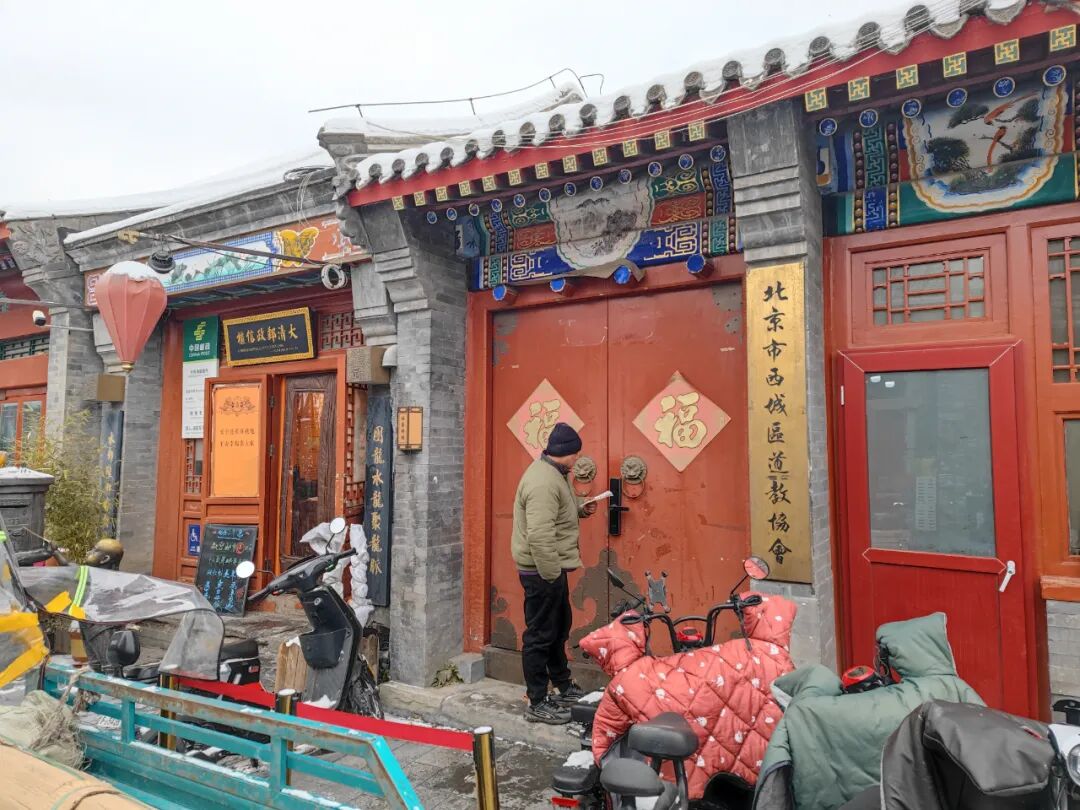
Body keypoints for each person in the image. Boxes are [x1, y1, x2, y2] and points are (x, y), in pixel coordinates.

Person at [511, 422, 597, 724]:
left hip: (550, 568)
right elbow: (539, 535)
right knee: (540, 635)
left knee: (558, 628)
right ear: (566, 452)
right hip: (542, 571)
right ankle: (537, 700)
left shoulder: (556, 474)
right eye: (577, 453)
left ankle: (561, 684)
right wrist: (550, 575)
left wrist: (581, 509)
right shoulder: (543, 482)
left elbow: (556, 514)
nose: (578, 459)